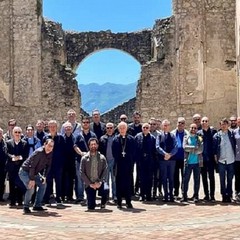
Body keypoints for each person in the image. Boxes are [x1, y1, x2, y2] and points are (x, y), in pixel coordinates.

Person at [19, 139, 54, 214]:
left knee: (43, 184)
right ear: (44, 144)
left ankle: (37, 205)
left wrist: (44, 176)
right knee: (31, 187)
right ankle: (26, 206)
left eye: (52, 146)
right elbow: (32, 166)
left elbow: (48, 166)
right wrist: (32, 179)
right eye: (48, 146)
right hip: (25, 172)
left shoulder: (50, 153)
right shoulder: (39, 152)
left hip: (35, 173)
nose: (50, 148)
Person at [112, 121, 135, 209]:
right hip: (119, 164)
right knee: (119, 183)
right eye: (120, 128)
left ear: (126, 129)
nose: (122, 130)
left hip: (128, 164)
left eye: (123, 128)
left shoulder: (131, 139)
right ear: (118, 129)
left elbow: (133, 151)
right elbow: (114, 152)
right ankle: (119, 202)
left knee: (128, 183)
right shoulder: (115, 139)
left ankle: (128, 201)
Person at [80, 138, 108, 210]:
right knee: (91, 207)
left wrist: (100, 182)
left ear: (97, 145)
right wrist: (90, 184)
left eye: (95, 144)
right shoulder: (84, 158)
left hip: (100, 182)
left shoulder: (102, 157)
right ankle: (91, 201)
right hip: (90, 183)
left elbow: (105, 170)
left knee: (106, 189)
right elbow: (82, 172)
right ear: (89, 146)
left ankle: (103, 203)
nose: (93, 146)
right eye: (91, 144)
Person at [74, 116, 97, 203]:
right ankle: (80, 197)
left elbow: (95, 146)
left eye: (87, 122)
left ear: (89, 124)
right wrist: (81, 153)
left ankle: (89, 197)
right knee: (79, 179)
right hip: (80, 160)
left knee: (90, 179)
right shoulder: (78, 136)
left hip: (91, 160)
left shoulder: (93, 135)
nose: (85, 124)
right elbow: (75, 146)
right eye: (84, 122)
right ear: (82, 124)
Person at [43, 120, 65, 205]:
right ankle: (47, 198)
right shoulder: (45, 138)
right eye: (50, 126)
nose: (52, 128)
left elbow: (64, 151)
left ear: (57, 127)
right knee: (48, 181)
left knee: (58, 181)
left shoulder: (61, 137)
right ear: (48, 127)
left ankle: (59, 198)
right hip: (48, 163)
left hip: (58, 163)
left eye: (54, 126)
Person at [213, 118, 236, 203]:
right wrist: (215, 156)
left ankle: (229, 195)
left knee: (230, 178)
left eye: (225, 124)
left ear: (228, 125)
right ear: (220, 125)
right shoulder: (217, 135)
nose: (224, 126)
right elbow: (214, 147)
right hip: (221, 160)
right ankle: (223, 195)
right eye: (222, 124)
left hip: (231, 160)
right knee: (222, 179)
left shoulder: (231, 134)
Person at [6, 126, 28, 207]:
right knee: (12, 184)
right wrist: (12, 157)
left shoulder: (25, 143)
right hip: (11, 167)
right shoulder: (8, 142)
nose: (17, 134)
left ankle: (20, 200)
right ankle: (12, 201)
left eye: (19, 132)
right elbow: (7, 152)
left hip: (21, 167)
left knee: (20, 184)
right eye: (16, 132)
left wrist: (19, 157)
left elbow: (26, 154)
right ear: (13, 133)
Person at [156, 119, 178, 202]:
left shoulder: (172, 136)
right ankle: (165, 195)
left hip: (172, 160)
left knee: (171, 178)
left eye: (167, 125)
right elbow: (157, 147)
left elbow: (176, 146)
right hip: (162, 160)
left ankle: (171, 195)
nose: (165, 127)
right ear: (162, 126)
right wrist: (165, 154)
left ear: (169, 126)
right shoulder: (159, 136)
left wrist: (170, 155)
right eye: (164, 125)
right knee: (164, 178)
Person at [181, 123, 203, 203]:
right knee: (185, 180)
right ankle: (184, 196)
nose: (193, 129)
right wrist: (194, 148)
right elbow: (185, 147)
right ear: (189, 128)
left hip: (197, 162)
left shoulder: (199, 138)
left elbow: (201, 150)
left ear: (197, 129)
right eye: (192, 128)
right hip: (188, 162)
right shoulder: (186, 137)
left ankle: (196, 195)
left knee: (196, 180)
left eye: (195, 128)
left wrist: (191, 149)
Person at [197, 116, 217, 202]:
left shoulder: (213, 132)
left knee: (211, 177)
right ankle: (206, 195)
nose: (204, 122)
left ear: (208, 122)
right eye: (203, 121)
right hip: (202, 158)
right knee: (204, 177)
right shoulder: (198, 133)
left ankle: (212, 195)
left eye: (206, 121)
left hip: (211, 158)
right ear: (201, 122)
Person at [135, 123, 156, 201]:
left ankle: (148, 195)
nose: (145, 129)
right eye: (144, 127)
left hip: (150, 161)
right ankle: (142, 194)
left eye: (147, 127)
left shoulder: (152, 138)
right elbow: (135, 149)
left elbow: (154, 151)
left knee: (149, 178)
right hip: (140, 161)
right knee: (141, 178)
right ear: (142, 128)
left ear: (149, 128)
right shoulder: (137, 137)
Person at [99, 122, 117, 203]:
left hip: (114, 162)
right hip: (105, 162)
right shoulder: (102, 138)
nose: (109, 129)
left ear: (113, 129)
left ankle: (115, 196)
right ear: (105, 129)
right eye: (108, 128)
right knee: (105, 181)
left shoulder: (117, 138)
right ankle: (106, 196)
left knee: (114, 180)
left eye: (111, 128)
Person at [171, 117, 189, 199]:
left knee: (184, 176)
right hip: (175, 158)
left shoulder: (187, 134)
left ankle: (184, 193)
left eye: (182, 123)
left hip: (184, 158)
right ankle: (176, 193)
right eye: (179, 123)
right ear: (177, 123)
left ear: (184, 125)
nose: (180, 124)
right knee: (175, 176)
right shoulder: (172, 133)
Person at [62, 122, 76, 202]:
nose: (68, 129)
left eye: (69, 128)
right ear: (64, 129)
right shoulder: (61, 138)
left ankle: (70, 196)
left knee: (71, 179)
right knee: (63, 179)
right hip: (63, 162)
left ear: (71, 129)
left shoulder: (75, 138)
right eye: (66, 127)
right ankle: (63, 196)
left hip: (72, 161)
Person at [149, 118, 161, 200]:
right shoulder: (145, 133)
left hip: (156, 158)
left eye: (154, 124)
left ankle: (155, 193)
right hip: (148, 159)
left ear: (156, 125)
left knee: (156, 177)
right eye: (151, 124)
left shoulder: (159, 134)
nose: (152, 126)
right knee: (148, 177)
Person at [234, 116, 240, 202]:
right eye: (239, 121)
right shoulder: (234, 132)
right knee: (238, 177)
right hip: (237, 158)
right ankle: (237, 193)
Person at [0, 128, 7, 201]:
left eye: (0, 133)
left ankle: (0, 196)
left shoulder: (5, 143)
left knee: (2, 182)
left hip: (3, 166)